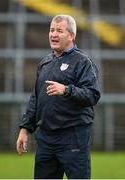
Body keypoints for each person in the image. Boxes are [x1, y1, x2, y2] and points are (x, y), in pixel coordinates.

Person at [16, 14, 101, 179]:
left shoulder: (83, 62)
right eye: (52, 30)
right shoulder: (45, 63)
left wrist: (67, 90)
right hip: (45, 139)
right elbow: (36, 98)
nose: (53, 34)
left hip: (73, 137)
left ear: (71, 36)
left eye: (59, 31)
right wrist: (25, 129)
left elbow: (92, 95)